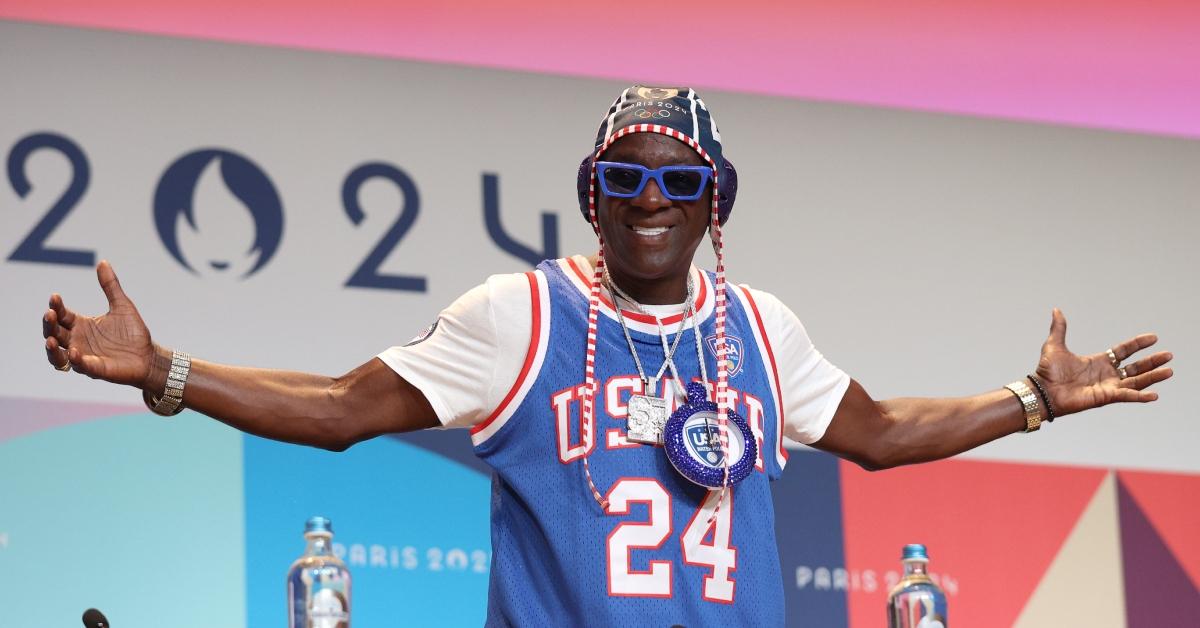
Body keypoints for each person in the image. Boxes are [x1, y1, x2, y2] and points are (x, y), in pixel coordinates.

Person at [41, 86, 1172, 626]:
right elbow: (340, 407)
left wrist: (1030, 399)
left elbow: (878, 435)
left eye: (678, 180)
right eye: (622, 177)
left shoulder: (759, 329)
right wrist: (166, 372)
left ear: (713, 203)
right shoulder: (520, 315)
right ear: (592, 195)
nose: (649, 200)